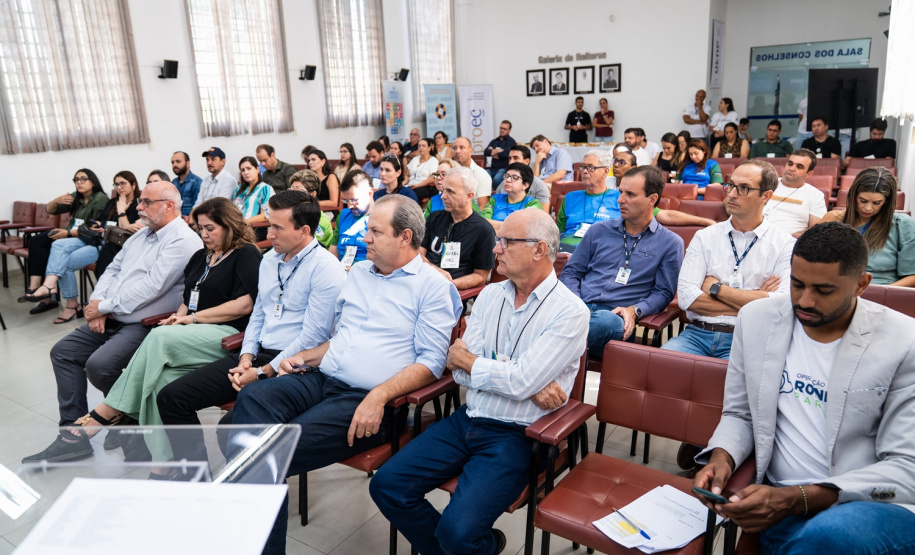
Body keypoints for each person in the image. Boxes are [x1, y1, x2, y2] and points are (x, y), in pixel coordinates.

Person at [229, 194, 463, 553]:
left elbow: (433, 362)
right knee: (251, 400)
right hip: (321, 377)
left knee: (260, 451)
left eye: (374, 231)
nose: (363, 238)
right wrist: (308, 355)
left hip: (367, 399)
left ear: (405, 237)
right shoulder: (359, 274)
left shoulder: (432, 287)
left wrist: (379, 396)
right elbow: (343, 339)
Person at [371, 208, 589, 555]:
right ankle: (479, 547)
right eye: (498, 240)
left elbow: (514, 379)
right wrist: (516, 374)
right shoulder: (489, 296)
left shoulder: (570, 311)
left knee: (456, 532)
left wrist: (491, 369)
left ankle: (465, 545)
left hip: (517, 434)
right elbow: (458, 368)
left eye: (506, 242)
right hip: (466, 420)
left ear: (539, 250)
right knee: (386, 485)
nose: (495, 249)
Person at [692, 222, 915, 554]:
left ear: (861, 285)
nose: (805, 301)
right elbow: (740, 413)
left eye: (823, 291)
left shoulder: (904, 341)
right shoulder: (756, 320)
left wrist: (797, 499)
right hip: (781, 502)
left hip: (871, 503)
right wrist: (722, 457)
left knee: (826, 538)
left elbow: (906, 466)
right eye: (797, 284)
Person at [69, 198, 261, 471]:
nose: (203, 234)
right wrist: (177, 316)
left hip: (230, 335)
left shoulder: (246, 254)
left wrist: (190, 319)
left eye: (210, 228)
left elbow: (244, 304)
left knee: (157, 338)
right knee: (159, 385)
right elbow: (188, 298)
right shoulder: (200, 256)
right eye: (199, 228)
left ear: (229, 226)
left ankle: (109, 410)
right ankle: (169, 464)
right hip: (194, 331)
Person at [156, 191, 345, 467]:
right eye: (270, 224)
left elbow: (312, 337)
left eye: (278, 228)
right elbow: (259, 314)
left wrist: (261, 372)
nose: (270, 233)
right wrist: (246, 357)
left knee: (231, 432)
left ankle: (253, 492)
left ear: (304, 231)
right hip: (258, 356)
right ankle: (193, 476)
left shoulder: (326, 269)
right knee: (172, 398)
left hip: (295, 367)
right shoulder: (269, 260)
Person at [22, 182, 202, 463]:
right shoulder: (142, 235)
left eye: (145, 202)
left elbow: (152, 288)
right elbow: (113, 269)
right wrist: (97, 304)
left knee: (101, 366)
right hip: (112, 314)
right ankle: (73, 436)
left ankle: (129, 433)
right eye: (139, 201)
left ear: (169, 205)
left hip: (145, 323)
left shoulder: (183, 240)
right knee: (64, 352)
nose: (138, 207)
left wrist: (103, 307)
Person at [661, 160, 794, 359]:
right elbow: (687, 298)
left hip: (749, 338)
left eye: (744, 188)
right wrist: (756, 298)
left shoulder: (784, 244)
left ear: (766, 196)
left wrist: (717, 289)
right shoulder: (705, 236)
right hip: (696, 334)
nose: (731, 194)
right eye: (731, 185)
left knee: (733, 382)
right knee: (661, 365)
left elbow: (781, 305)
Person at [561, 166, 683, 354]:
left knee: (606, 322)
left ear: (652, 199)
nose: (620, 200)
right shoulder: (598, 230)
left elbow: (664, 293)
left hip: (615, 318)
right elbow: (571, 272)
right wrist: (576, 304)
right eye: (620, 192)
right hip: (577, 307)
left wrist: (635, 310)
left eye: (630, 194)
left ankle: (548, 342)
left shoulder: (670, 243)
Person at [19, 169, 108, 316]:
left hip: (83, 238)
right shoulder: (75, 197)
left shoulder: (100, 199)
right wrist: (56, 201)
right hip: (69, 235)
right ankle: (35, 287)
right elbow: (50, 210)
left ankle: (48, 290)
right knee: (37, 241)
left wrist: (66, 233)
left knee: (55, 247)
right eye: (76, 180)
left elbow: (93, 229)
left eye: (83, 179)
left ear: (93, 181)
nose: (79, 182)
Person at [821, 167, 915, 286]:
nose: (868, 208)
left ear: (886, 202)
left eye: (876, 203)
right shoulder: (833, 219)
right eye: (863, 200)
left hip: (882, 291)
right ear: (854, 195)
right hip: (838, 288)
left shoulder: (902, 225)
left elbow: (912, 276)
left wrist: (881, 293)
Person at [420, 166, 495, 290]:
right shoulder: (434, 218)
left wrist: (448, 285)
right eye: (443, 190)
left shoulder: (483, 230)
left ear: (469, 196)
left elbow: (480, 276)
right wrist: (435, 270)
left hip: (451, 292)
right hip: (423, 282)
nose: (443, 196)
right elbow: (418, 254)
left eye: (450, 192)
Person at [556, 150, 620, 249]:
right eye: (583, 167)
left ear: (605, 171)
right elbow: (559, 231)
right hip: (567, 250)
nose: (585, 171)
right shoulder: (570, 198)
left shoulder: (619, 199)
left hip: (602, 250)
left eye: (590, 167)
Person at [763, 149, 827, 237]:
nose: (792, 168)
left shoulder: (815, 195)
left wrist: (794, 238)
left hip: (790, 243)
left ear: (809, 174)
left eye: (799, 166)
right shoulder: (766, 183)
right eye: (790, 163)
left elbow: (816, 228)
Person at [93, 171, 145, 278]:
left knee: (107, 253)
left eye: (123, 183)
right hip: (106, 240)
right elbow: (101, 220)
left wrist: (121, 211)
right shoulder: (112, 202)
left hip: (126, 245)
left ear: (133, 185)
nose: (119, 187)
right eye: (116, 184)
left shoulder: (139, 205)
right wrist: (99, 226)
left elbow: (126, 230)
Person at [481, 163, 543, 229]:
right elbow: (483, 222)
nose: (507, 180)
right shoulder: (495, 199)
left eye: (514, 177)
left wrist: (496, 227)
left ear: (525, 185)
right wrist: (510, 227)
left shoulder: (532, 203)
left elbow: (525, 228)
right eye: (507, 176)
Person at [288, 169, 339, 250]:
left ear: (312, 194)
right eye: (291, 190)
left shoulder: (321, 221)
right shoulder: (289, 214)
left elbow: (307, 249)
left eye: (299, 191)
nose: (293, 195)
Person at [334, 169, 375, 269]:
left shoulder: (382, 219)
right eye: (346, 201)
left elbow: (384, 261)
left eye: (354, 200)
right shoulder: (344, 215)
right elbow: (333, 251)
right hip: (340, 273)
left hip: (367, 274)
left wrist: (354, 270)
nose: (349, 206)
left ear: (370, 193)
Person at [496, 145, 550, 212]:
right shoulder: (504, 184)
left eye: (516, 158)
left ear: (526, 161)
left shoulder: (539, 185)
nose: (511, 162)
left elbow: (543, 215)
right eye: (510, 158)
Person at [233, 156, 273, 238]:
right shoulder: (239, 189)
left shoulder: (265, 188)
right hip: (234, 227)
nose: (246, 172)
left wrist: (242, 222)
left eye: (249, 168)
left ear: (257, 169)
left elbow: (264, 216)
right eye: (243, 170)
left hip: (253, 229)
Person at [451, 136, 493, 208]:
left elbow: (482, 208)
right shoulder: (449, 173)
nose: (457, 151)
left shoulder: (482, 175)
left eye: (461, 147)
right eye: (455, 148)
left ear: (471, 151)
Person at [483, 120, 517, 187]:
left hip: (504, 169)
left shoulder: (511, 142)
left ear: (509, 130)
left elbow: (506, 154)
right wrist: (500, 150)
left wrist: (493, 151)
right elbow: (486, 152)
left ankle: (496, 195)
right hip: (492, 169)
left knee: (496, 179)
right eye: (501, 128)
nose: (502, 130)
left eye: (504, 129)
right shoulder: (494, 141)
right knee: (483, 176)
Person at [170, 151, 201, 216]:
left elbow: (197, 206)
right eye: (172, 162)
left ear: (187, 164)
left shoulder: (196, 182)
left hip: (190, 220)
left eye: (178, 161)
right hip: (174, 218)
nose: (174, 165)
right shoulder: (173, 182)